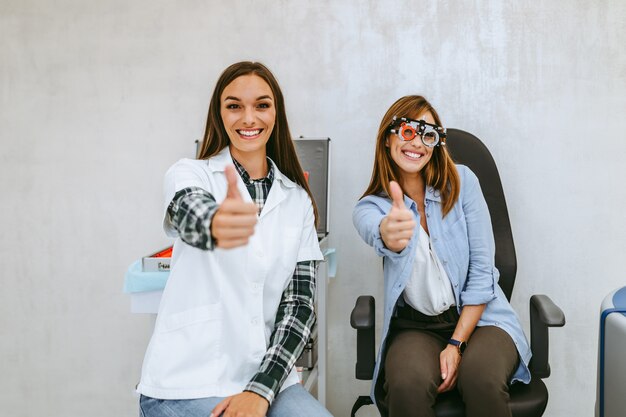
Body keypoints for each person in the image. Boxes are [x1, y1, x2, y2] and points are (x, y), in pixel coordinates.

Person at [137, 61, 333, 417]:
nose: (248, 118)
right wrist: (215, 223)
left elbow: (299, 308)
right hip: (186, 381)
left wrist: (260, 390)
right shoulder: (191, 173)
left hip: (267, 380)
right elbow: (189, 210)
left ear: (276, 113)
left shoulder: (297, 200)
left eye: (261, 105)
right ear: (219, 114)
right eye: (234, 106)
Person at [352, 95, 531, 417]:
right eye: (408, 131)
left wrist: (456, 344)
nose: (418, 143)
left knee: (481, 379)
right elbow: (377, 230)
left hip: (481, 319)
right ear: (388, 137)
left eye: (429, 135)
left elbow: (482, 270)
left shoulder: (463, 183)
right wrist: (390, 233)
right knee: (407, 386)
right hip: (415, 327)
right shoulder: (372, 207)